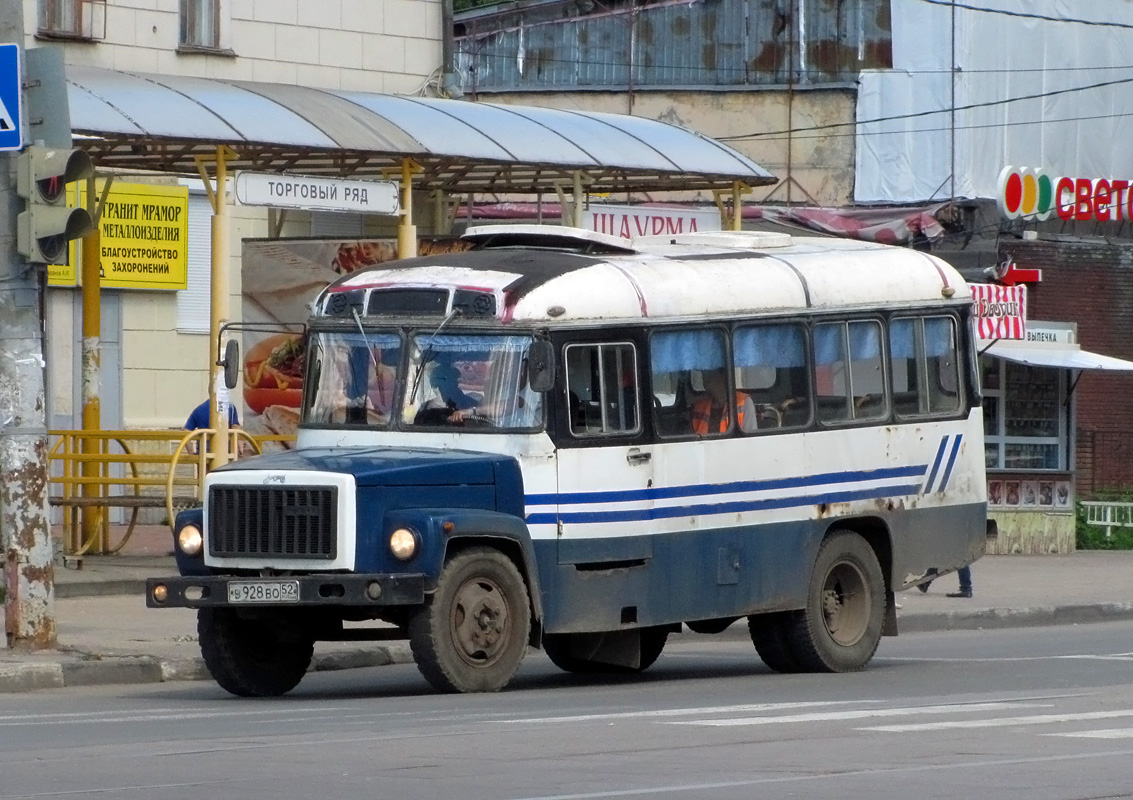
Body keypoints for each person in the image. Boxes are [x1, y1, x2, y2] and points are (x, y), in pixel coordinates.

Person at [690, 368, 756, 434]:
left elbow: (751, 440)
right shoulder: (699, 406)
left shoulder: (744, 402)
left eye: (708, 373)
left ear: (723, 376)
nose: (704, 378)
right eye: (703, 373)